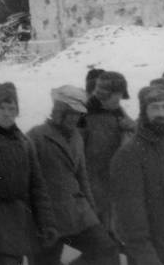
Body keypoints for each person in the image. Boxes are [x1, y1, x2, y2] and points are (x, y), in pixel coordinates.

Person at [0, 83, 57, 265]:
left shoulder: (25, 143)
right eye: (1, 108)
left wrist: (47, 222)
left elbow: (37, 186)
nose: (7, 113)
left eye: (12, 108)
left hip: (21, 223)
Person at [26, 86, 118, 265]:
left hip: (78, 214)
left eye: (78, 114)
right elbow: (27, 182)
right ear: (59, 112)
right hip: (48, 219)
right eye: (71, 113)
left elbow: (82, 179)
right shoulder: (36, 136)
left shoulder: (76, 137)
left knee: (107, 249)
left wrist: (92, 213)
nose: (75, 118)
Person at [110, 85, 164, 265]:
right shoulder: (129, 154)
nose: (162, 113)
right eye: (155, 107)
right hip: (152, 253)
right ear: (144, 111)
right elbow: (130, 220)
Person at [80, 70, 134, 235]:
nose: (119, 101)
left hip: (113, 185)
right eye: (116, 97)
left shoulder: (117, 111)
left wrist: (132, 127)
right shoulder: (84, 116)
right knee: (101, 243)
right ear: (104, 95)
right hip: (93, 186)